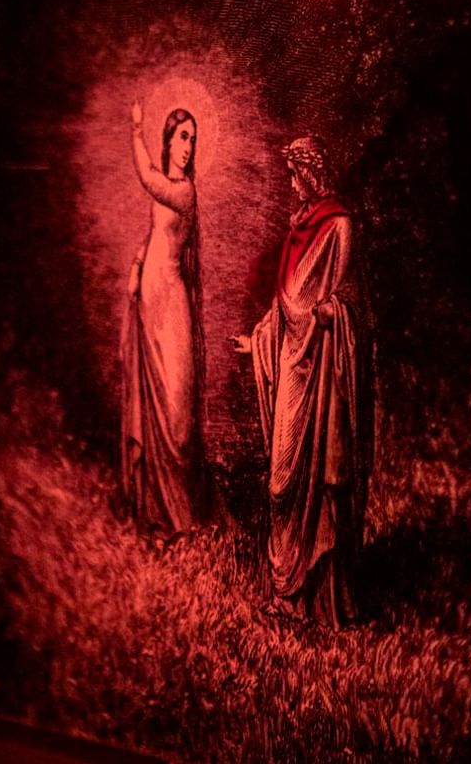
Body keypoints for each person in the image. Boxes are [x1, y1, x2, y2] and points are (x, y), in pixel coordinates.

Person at [231, 136, 372, 625]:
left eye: (295, 174)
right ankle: (286, 596)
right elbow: (285, 307)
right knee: (281, 484)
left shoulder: (339, 227)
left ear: (310, 173)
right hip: (293, 367)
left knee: (319, 482)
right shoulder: (299, 230)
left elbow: (350, 306)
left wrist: (330, 316)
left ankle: (320, 602)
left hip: (325, 375)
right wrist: (258, 342)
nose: (291, 185)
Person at [122, 100, 211, 540]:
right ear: (170, 141)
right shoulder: (170, 187)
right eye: (182, 137)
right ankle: (155, 509)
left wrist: (135, 130)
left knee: (178, 410)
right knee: (153, 400)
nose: (188, 146)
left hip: (172, 301)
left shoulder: (185, 191)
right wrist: (138, 264)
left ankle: (183, 512)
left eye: (193, 138)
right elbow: (155, 232)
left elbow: (147, 180)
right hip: (150, 300)